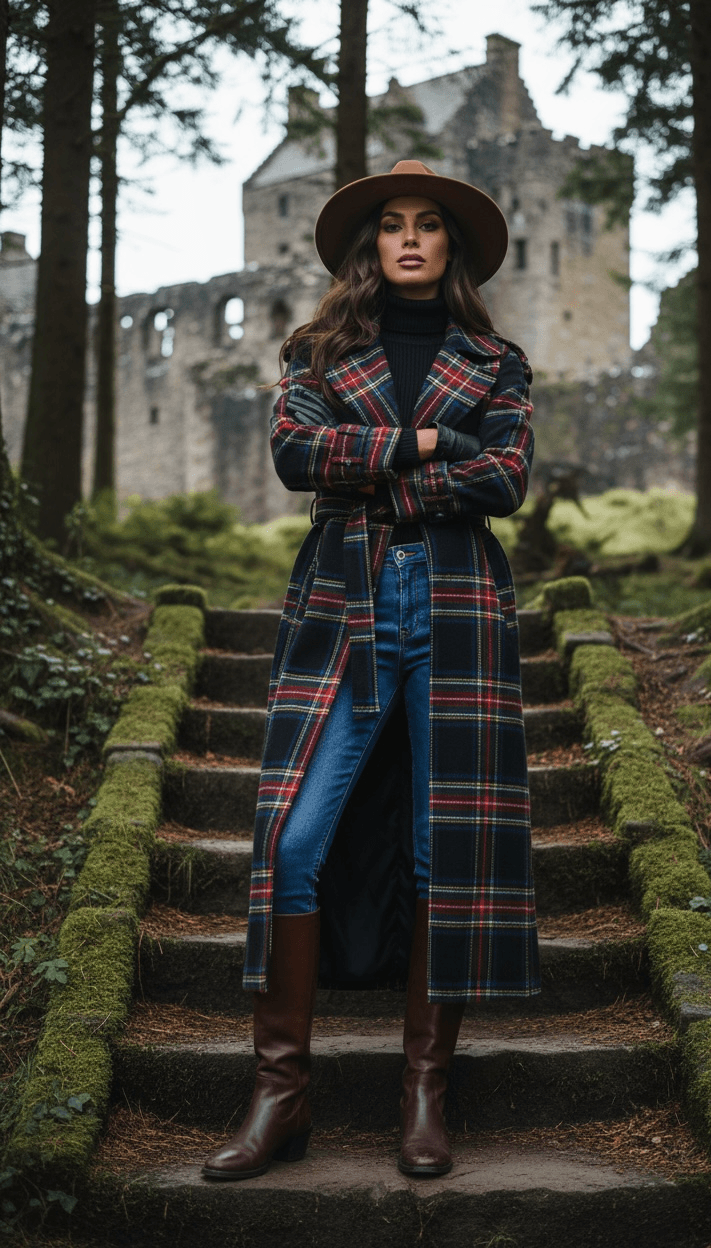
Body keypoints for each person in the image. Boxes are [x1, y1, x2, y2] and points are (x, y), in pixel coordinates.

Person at [202, 160, 540, 1184]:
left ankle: (424, 1092)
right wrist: (428, 441)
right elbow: (298, 457)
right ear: (367, 247)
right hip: (341, 608)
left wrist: (382, 464)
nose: (406, 239)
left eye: (426, 225)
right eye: (388, 225)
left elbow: (505, 477)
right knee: (293, 834)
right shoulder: (315, 351)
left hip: (457, 608)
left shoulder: (495, 359)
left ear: (451, 247)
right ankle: (280, 1092)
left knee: (447, 845)